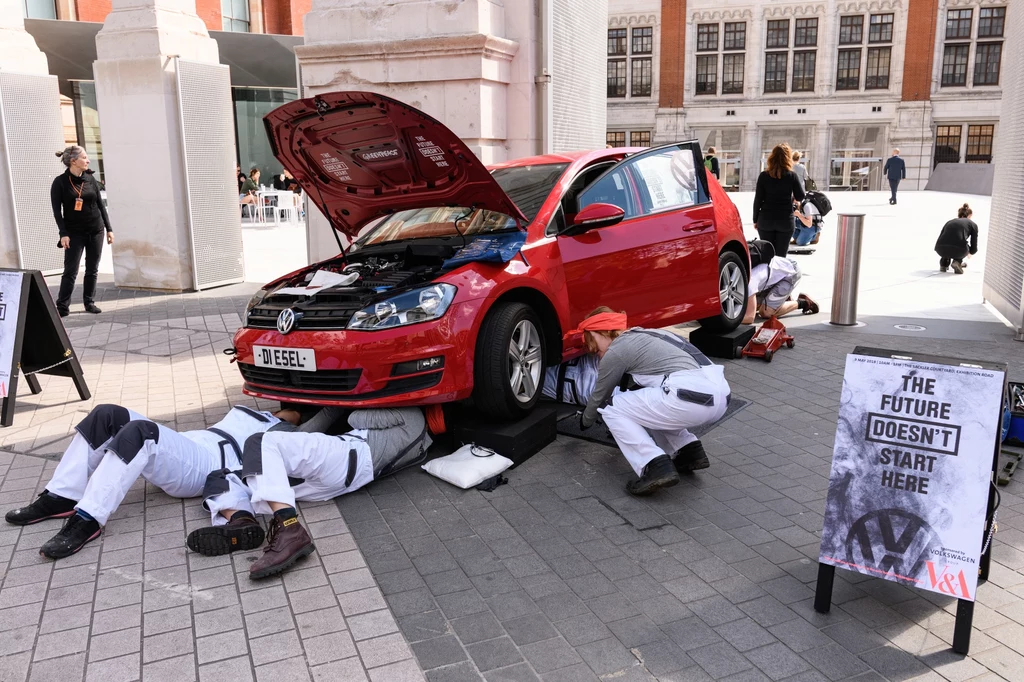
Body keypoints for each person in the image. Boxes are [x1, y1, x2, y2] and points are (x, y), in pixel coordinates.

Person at [4, 403, 301, 559]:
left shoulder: (283, 436)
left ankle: (88, 518)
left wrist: (295, 417)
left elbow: (301, 416)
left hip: (204, 466)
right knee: (106, 414)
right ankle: (61, 495)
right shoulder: (253, 413)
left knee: (141, 432)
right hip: (189, 444)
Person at [188, 408, 432, 579]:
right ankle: (240, 520)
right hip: (338, 475)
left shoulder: (413, 415)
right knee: (222, 476)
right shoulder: (417, 435)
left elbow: (357, 417)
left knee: (260, 441)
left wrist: (350, 398)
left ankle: (290, 527)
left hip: (351, 455)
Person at [575, 308, 730, 496]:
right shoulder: (647, 333)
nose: (597, 354)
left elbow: (600, 396)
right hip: (719, 395)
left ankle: (653, 464)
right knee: (650, 403)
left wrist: (585, 420)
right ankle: (688, 451)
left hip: (689, 396)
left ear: (598, 332)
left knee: (611, 408)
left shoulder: (617, 350)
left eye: (595, 347)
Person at [51, 146, 114, 318]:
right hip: (74, 233)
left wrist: (109, 229)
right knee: (71, 270)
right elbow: (57, 212)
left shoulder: (90, 179)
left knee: (92, 269)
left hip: (96, 230)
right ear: (73, 161)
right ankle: (62, 306)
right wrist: (63, 233)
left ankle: (89, 302)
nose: (88, 160)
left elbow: (101, 206)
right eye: (84, 157)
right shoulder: (60, 182)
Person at [753, 143, 805, 259]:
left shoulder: (763, 176)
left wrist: (755, 219)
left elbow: (758, 200)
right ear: (788, 158)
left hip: (766, 219)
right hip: (785, 220)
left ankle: (767, 276)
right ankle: (779, 276)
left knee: (766, 255)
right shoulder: (792, 176)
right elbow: (800, 196)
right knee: (781, 257)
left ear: (772, 157)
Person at [742, 248, 819, 324]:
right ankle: (781, 299)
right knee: (750, 306)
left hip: (790, 273)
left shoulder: (750, 281)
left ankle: (804, 302)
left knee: (766, 312)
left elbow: (749, 317)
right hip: (775, 273)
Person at [935, 203, 979, 274]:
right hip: (958, 251)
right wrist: (970, 251)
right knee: (960, 244)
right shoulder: (972, 224)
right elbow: (974, 246)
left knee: (950, 241)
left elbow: (941, 237)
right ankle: (957, 262)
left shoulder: (949, 222)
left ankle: (944, 263)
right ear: (969, 215)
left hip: (940, 249)